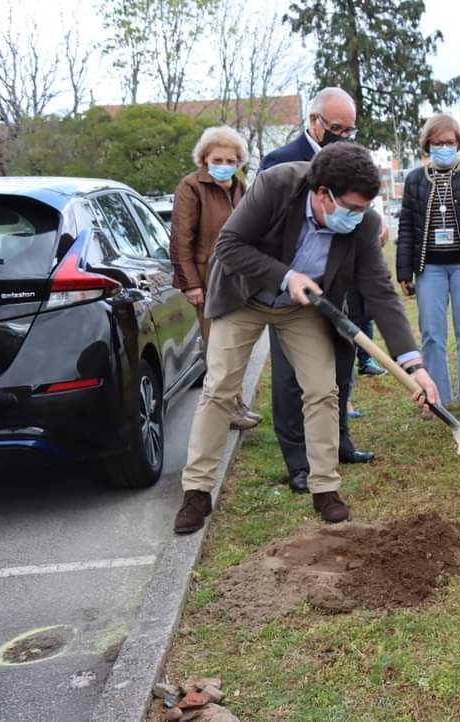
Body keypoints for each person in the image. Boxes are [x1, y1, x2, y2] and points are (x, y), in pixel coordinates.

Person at [172, 142, 439, 534]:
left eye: (364, 209)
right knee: (220, 389)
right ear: (321, 193)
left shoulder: (362, 223)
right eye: (350, 208)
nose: (358, 217)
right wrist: (284, 275)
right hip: (245, 296)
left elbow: (380, 292)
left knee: (322, 390)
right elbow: (228, 247)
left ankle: (325, 487)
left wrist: (413, 364)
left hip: (304, 308)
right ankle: (196, 491)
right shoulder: (277, 185)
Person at [259, 88, 375, 496]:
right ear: (313, 121)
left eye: (349, 129)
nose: (342, 136)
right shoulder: (279, 163)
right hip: (290, 292)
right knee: (292, 378)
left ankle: (339, 441)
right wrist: (285, 278)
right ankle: (299, 461)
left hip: (334, 284)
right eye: (335, 128)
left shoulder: (350, 160)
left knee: (339, 366)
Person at [396, 114, 460, 415]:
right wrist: (404, 271)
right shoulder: (414, 180)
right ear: (428, 145)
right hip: (430, 269)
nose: (444, 147)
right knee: (431, 333)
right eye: (438, 143)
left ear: (458, 143)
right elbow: (407, 228)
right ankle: (436, 398)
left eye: (449, 142)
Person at [169, 125, 261, 431]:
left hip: (237, 277)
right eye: (217, 160)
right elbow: (182, 238)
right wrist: (190, 283)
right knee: (216, 346)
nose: (224, 166)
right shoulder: (191, 186)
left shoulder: (239, 187)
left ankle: (235, 402)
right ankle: (226, 410)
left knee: (235, 344)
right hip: (207, 278)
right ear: (205, 159)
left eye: (230, 160)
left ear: (239, 162)